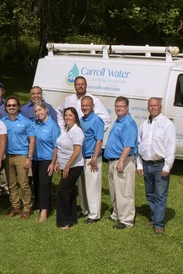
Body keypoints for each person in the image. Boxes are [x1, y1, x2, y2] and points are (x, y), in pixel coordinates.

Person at [136, 97, 176, 235]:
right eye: (150, 105)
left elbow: (171, 147)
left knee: (160, 195)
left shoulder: (167, 124)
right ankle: (154, 217)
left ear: (160, 107)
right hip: (146, 164)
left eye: (155, 105)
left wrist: (167, 167)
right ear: (148, 107)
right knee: (150, 194)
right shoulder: (144, 125)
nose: (153, 107)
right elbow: (139, 146)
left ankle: (159, 224)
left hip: (160, 165)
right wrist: (139, 164)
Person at [105, 96, 138, 229]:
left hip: (122, 161)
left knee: (124, 191)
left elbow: (128, 145)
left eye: (121, 106)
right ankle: (117, 214)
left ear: (127, 108)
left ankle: (126, 220)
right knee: (114, 190)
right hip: (113, 161)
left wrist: (121, 161)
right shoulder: (118, 121)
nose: (118, 108)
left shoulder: (128, 123)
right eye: (117, 106)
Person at [2, 96, 36, 219]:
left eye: (14, 105)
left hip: (22, 155)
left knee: (24, 183)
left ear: (18, 107)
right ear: (6, 107)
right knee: (11, 184)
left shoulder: (26, 122)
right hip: (8, 156)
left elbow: (32, 140)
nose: (11, 107)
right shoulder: (2, 121)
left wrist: (29, 157)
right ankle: (15, 206)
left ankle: (27, 208)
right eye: (9, 105)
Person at [54, 107, 85, 229]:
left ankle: (65, 221)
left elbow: (77, 151)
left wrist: (67, 166)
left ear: (75, 117)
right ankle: (72, 218)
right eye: (66, 115)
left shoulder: (77, 131)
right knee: (69, 193)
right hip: (65, 166)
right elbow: (61, 147)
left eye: (70, 115)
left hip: (73, 166)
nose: (67, 117)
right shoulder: (67, 130)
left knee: (61, 192)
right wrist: (57, 162)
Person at [30, 102, 61, 223]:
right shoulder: (35, 124)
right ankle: (39, 205)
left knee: (44, 184)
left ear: (46, 109)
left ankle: (44, 210)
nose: (38, 113)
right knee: (37, 184)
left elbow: (56, 146)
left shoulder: (53, 126)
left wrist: (54, 162)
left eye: (40, 110)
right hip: (36, 159)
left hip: (47, 160)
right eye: (36, 111)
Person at [78, 96, 106, 224]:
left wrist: (94, 158)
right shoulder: (81, 120)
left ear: (93, 106)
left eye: (87, 105)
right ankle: (85, 210)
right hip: (81, 158)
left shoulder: (97, 121)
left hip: (92, 158)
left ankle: (94, 214)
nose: (84, 108)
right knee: (82, 186)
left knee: (92, 187)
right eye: (83, 105)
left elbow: (99, 141)